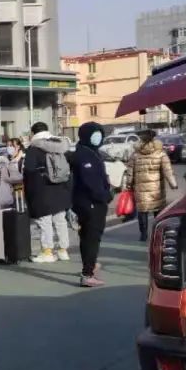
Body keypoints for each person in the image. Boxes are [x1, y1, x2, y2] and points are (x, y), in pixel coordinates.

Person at [71, 122, 114, 287]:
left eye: (99, 133)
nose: (98, 137)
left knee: (90, 236)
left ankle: (91, 264)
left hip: (92, 202)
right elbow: (91, 182)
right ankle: (87, 273)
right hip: (90, 203)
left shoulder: (92, 152)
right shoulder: (83, 155)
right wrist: (106, 195)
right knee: (91, 238)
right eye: (94, 134)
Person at [23, 122, 73, 263]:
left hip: (42, 190)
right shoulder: (59, 145)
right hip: (61, 188)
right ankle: (63, 250)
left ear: (33, 133)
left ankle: (47, 252)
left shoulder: (34, 148)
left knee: (45, 221)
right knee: (60, 220)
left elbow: (29, 170)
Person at [125, 129, 179, 242]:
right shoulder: (160, 153)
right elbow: (168, 171)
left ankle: (143, 234)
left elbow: (130, 171)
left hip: (141, 189)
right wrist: (173, 184)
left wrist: (129, 184)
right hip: (157, 189)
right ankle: (158, 234)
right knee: (158, 212)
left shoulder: (135, 154)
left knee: (142, 211)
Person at [0, 138, 25, 211]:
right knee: (8, 211)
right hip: (8, 191)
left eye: (12, 145)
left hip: (21, 191)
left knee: (20, 210)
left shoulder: (23, 158)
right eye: (8, 146)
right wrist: (1, 183)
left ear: (18, 147)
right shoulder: (4, 159)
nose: (9, 148)